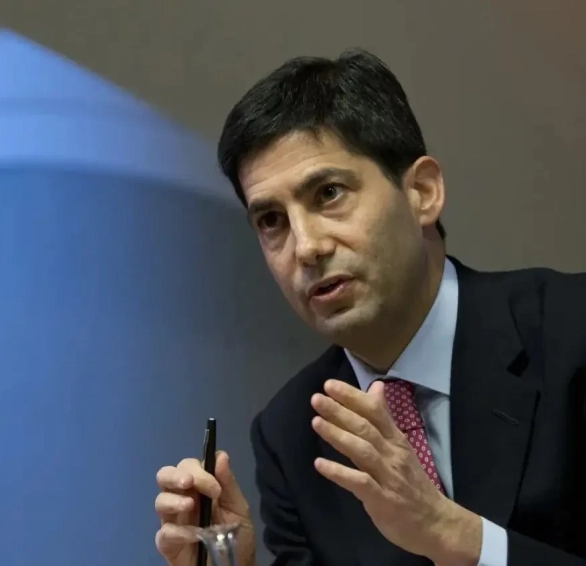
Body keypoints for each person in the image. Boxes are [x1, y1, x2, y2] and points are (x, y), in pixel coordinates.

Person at [153, 49, 586, 566]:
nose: (306, 247)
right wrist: (230, 562)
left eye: (329, 193)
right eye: (271, 221)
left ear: (422, 192)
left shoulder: (572, 330)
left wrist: (452, 534)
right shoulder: (292, 435)